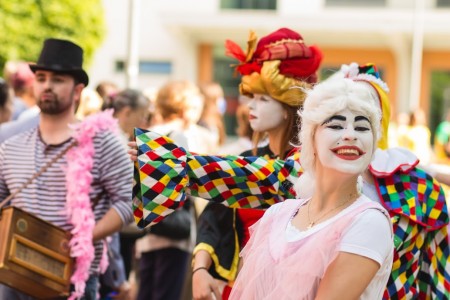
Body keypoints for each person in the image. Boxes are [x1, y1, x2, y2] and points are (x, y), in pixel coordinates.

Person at [129, 65, 449, 299]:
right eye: (336, 121)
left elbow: (434, 275)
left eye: (362, 120)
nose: (349, 132)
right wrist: (163, 163)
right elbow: (237, 175)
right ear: (312, 133)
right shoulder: (290, 192)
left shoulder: (415, 187)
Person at [231, 74, 392, 299]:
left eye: (362, 128)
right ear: (312, 139)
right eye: (336, 125)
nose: (350, 135)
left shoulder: (369, 222)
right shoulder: (278, 214)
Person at [192, 27, 322, 300]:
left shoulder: (311, 168)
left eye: (263, 99)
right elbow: (214, 216)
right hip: (239, 288)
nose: (250, 106)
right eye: (250, 97)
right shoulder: (250, 160)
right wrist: (200, 269)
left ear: (289, 108)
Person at [0, 38, 133, 300]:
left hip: (72, 282)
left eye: (58, 79)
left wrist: (83, 237)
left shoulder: (102, 142)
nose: (47, 85)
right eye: (41, 77)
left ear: (77, 91)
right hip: (13, 278)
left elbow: (129, 201)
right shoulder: (11, 146)